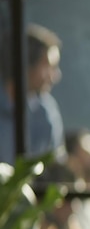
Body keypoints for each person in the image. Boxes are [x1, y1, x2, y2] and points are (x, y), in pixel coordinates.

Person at [0, 23, 66, 164]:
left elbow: (54, 162)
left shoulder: (46, 111)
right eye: (48, 65)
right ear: (25, 64)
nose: (55, 76)